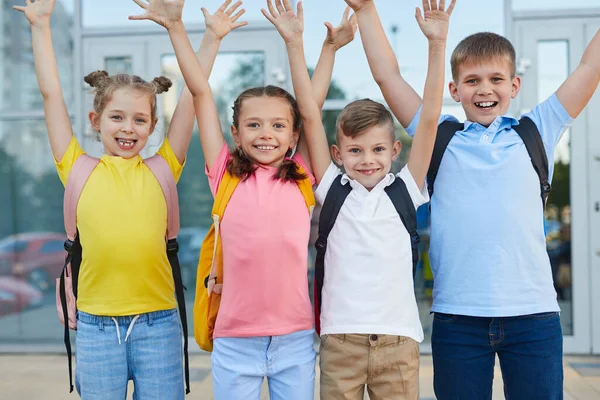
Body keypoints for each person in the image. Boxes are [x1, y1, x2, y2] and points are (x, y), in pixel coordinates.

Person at [347, 0, 600, 398]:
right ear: (454, 89)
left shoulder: (537, 130)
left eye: (497, 79)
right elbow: (388, 77)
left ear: (514, 86)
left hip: (533, 317)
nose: (485, 89)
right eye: (472, 80)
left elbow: (588, 68)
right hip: (457, 319)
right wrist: (364, 11)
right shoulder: (440, 136)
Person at [14, 0, 246, 398]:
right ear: (95, 121)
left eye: (140, 120)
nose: (128, 128)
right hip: (96, 326)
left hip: (159, 324)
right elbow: (51, 94)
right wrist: (41, 26)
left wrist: (211, 38)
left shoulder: (162, 168)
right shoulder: (77, 168)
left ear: (153, 125)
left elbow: (193, 96)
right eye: (117, 117)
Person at [130, 0, 357, 399]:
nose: (265, 133)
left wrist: (305, 45)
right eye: (253, 125)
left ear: (293, 136)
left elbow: (309, 106)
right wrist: (177, 29)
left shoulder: (303, 176)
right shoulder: (226, 176)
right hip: (234, 340)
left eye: (277, 126)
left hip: (295, 339)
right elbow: (200, 90)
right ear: (236, 133)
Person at [265, 0, 452, 399]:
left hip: (398, 344)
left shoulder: (406, 190)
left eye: (377, 150)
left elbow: (431, 117)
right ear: (337, 154)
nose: (367, 160)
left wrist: (437, 45)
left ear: (394, 151)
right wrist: (295, 44)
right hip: (340, 343)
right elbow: (309, 115)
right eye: (355, 151)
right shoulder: (332, 187)